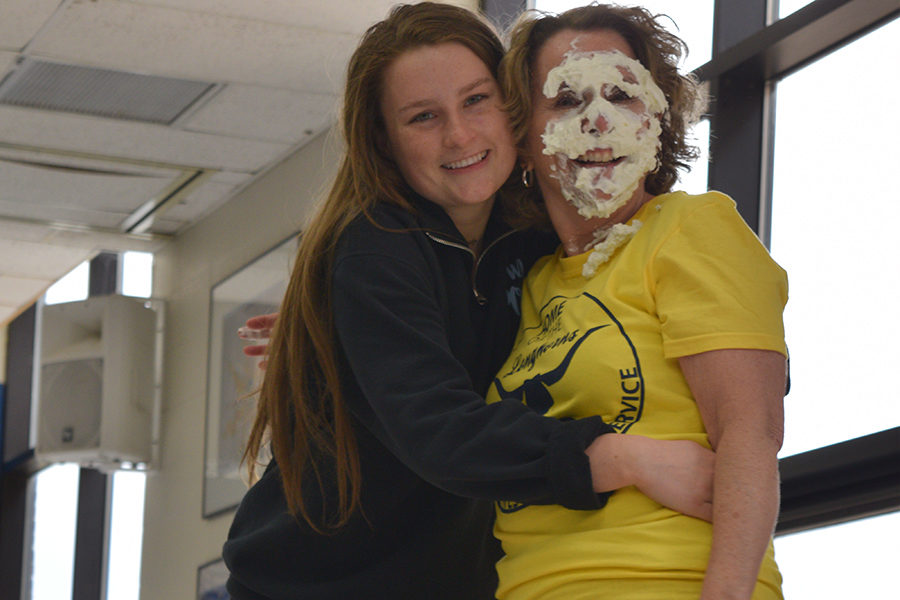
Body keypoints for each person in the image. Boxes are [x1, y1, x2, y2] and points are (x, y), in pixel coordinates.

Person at [223, 4, 715, 599]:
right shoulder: (373, 249)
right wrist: (621, 460)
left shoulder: (534, 236)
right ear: (384, 139)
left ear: (516, 107)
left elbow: (628, 307)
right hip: (310, 585)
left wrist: (725, 340)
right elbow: (441, 434)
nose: (458, 135)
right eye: (423, 117)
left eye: (476, 100)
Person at [486, 4, 788, 599]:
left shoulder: (692, 227)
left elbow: (750, 433)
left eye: (622, 95)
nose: (599, 121)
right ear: (523, 139)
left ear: (658, 116)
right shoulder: (535, 279)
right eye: (568, 101)